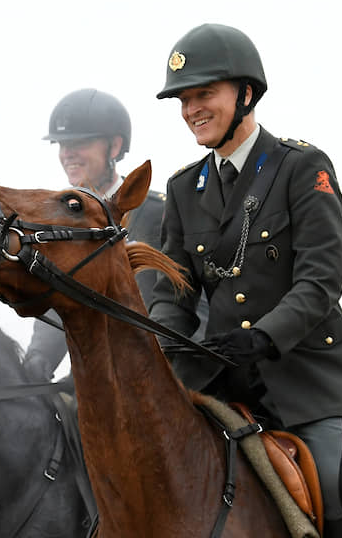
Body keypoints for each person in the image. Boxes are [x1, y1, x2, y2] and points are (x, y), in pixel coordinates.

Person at [149, 23, 342, 537]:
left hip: (304, 378)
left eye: (204, 94)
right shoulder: (184, 189)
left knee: (328, 484)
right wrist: (163, 344)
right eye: (183, 100)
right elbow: (174, 294)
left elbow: (321, 281)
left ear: (246, 92)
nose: (191, 110)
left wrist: (264, 337)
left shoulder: (302, 167)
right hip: (221, 378)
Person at [23, 88, 206, 381]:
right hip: (97, 377)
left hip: (166, 375)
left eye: (78, 142)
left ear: (114, 146)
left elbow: (192, 297)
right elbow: (57, 304)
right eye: (61, 144)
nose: (67, 153)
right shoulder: (62, 229)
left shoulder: (161, 214)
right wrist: (38, 358)